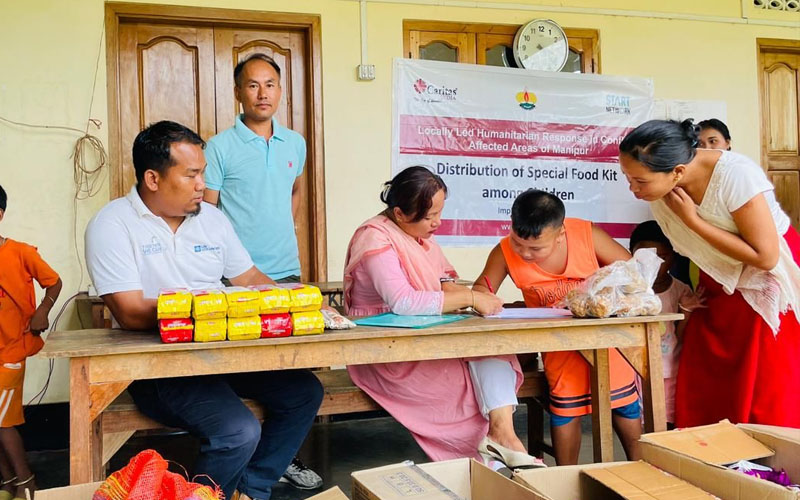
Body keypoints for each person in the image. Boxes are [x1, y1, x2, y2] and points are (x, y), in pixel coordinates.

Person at [85, 121, 323, 500]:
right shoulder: (113, 224)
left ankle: (250, 490)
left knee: (304, 392)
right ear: (153, 178)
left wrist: (294, 303)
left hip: (225, 356)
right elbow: (129, 312)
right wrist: (212, 312)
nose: (202, 184)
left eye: (203, 173)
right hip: (159, 366)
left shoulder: (212, 219)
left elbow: (249, 278)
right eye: (191, 174)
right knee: (238, 431)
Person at [343, 166, 542, 468]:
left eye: (439, 212)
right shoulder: (375, 238)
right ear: (399, 214)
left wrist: (473, 299)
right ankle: (488, 464)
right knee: (462, 386)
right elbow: (404, 302)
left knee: (494, 349)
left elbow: (442, 281)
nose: (437, 222)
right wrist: (470, 298)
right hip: (386, 350)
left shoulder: (419, 235)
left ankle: (504, 438)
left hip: (428, 339)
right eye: (429, 217)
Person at [619, 119, 800, 428]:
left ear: (677, 171)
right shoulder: (663, 192)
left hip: (765, 280)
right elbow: (703, 250)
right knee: (708, 366)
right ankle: (710, 447)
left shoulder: (736, 175)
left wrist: (693, 220)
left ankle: (766, 451)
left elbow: (766, 257)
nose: (633, 189)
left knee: (764, 375)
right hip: (717, 275)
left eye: (640, 181)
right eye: (627, 178)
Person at [203, 52, 320, 490]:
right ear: (238, 92)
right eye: (252, 85)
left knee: (289, 369)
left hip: (286, 273)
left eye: (270, 84)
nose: (262, 93)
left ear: (280, 90)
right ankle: (247, 457)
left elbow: (294, 192)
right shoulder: (219, 147)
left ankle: (275, 459)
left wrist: (284, 230)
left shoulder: (295, 143)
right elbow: (207, 213)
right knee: (246, 368)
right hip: (235, 280)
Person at [472, 189, 642, 466]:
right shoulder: (504, 251)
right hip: (557, 345)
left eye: (536, 248)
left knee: (622, 402)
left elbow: (631, 272)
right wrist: (484, 299)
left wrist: (599, 293)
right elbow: (482, 287)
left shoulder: (587, 235)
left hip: (604, 338)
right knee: (565, 407)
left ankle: (644, 468)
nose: (525, 253)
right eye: (518, 243)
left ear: (560, 234)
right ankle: (564, 476)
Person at [0, 184, 62, 500]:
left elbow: (54, 282)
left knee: (2, 424)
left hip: (11, 351)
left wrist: (42, 311)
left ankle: (26, 483)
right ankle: (7, 483)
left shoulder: (21, 252)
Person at [629, 221, 704, 427]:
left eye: (663, 257)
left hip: (670, 372)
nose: (654, 263)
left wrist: (686, 311)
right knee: (638, 423)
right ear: (631, 254)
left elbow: (681, 337)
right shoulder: (629, 290)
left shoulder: (681, 291)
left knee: (667, 421)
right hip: (634, 373)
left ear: (673, 257)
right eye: (646, 256)